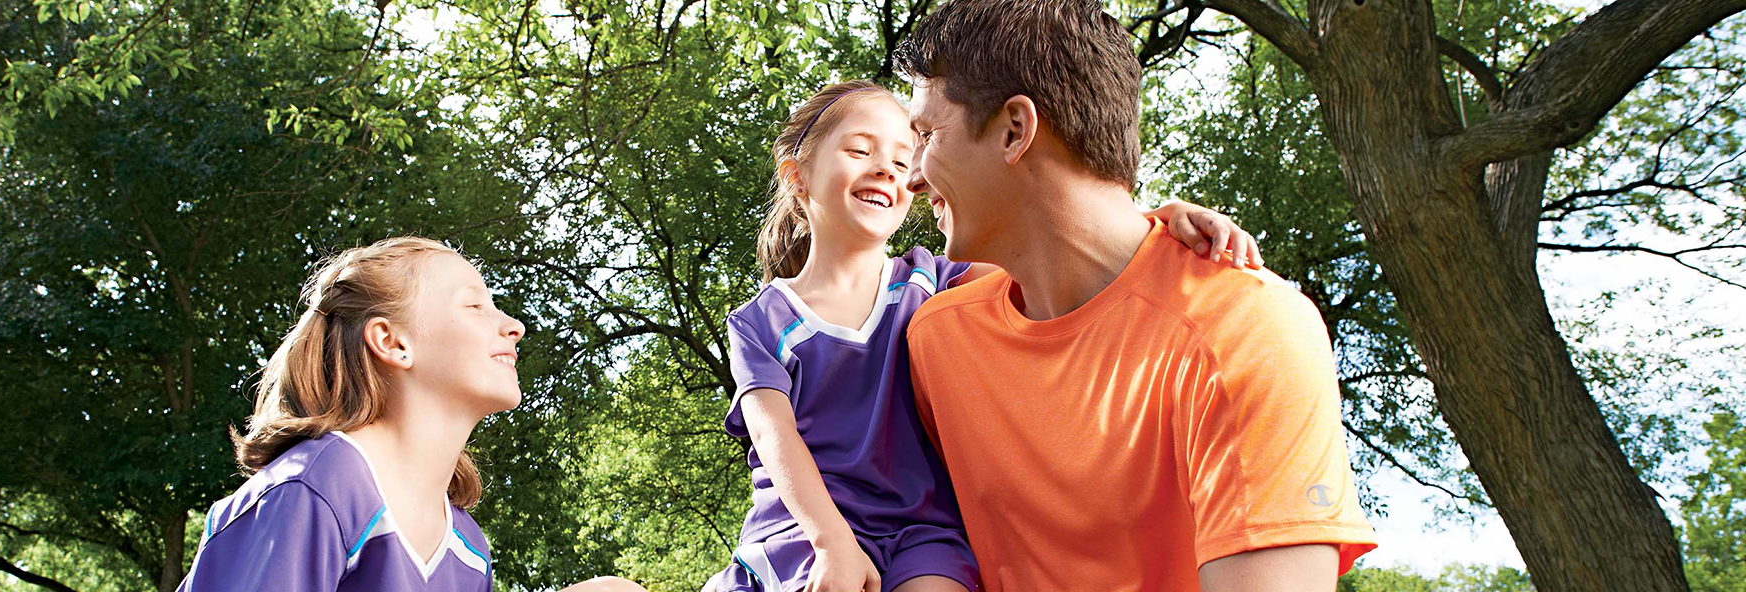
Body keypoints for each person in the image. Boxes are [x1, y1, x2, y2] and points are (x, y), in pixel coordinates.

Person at [894, 0, 1378, 592]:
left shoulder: (1245, 329)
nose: (910, 178)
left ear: (1016, 130)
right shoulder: (935, 341)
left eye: (928, 134)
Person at [705, 81, 1261, 592]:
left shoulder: (933, 280)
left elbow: (1061, 255)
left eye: (904, 159)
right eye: (859, 151)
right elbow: (775, 442)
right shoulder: (762, 321)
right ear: (796, 175)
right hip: (805, 531)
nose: (888, 170)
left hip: (924, 532)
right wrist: (832, 542)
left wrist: (1156, 223)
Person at [177, 236, 642, 592]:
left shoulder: (468, 547)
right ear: (393, 342)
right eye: (476, 305)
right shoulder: (313, 490)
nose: (514, 327)